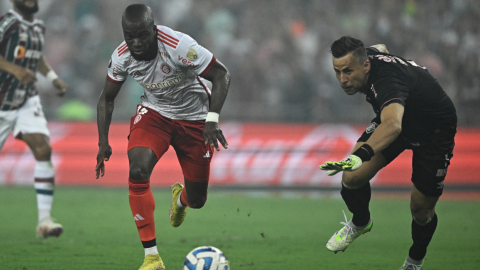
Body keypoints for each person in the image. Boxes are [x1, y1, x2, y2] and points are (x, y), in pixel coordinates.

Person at [95, 4, 230, 270]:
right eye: (129, 35)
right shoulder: (121, 56)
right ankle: (151, 257)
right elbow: (106, 99)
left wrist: (212, 120)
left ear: (154, 30)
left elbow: (221, 74)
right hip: (155, 114)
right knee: (137, 168)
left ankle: (180, 200)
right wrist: (103, 141)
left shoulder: (179, 45)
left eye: (142, 35)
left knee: (198, 200)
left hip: (195, 119)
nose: (135, 42)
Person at [320, 36, 456, 270]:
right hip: (399, 117)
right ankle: (361, 222)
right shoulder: (369, 56)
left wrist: (360, 156)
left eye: (348, 71)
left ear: (366, 66)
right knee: (352, 177)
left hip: (433, 131)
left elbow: (392, 126)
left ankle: (414, 260)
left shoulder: (386, 83)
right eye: (338, 72)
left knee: (421, 211)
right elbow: (381, 47)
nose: (343, 80)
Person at [0, 0, 67, 238]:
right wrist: (14, 69)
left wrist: (52, 77)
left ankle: (45, 221)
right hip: (2, 101)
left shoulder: (38, 27)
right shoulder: (7, 23)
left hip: (26, 98)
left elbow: (36, 57)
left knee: (43, 149)